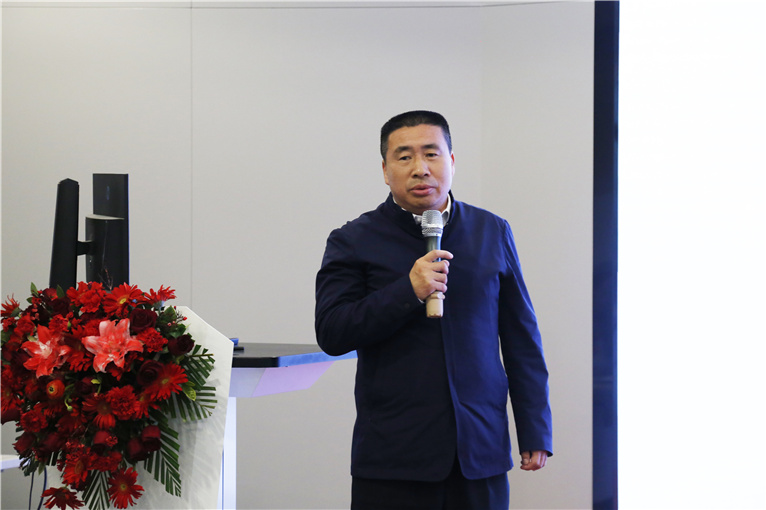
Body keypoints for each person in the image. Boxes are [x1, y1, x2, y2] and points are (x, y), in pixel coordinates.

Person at [315, 110, 552, 510]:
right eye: (404, 156)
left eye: (431, 154)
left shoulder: (492, 231)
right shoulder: (353, 239)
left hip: (480, 452)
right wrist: (407, 291)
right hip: (393, 457)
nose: (420, 168)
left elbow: (521, 338)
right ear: (385, 170)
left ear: (452, 162)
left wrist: (535, 429)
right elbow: (333, 332)